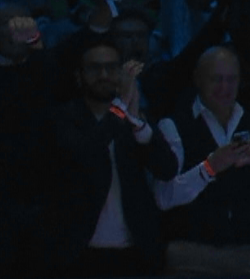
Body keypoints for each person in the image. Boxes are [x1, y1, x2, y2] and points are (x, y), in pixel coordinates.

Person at [153, 46, 250, 275]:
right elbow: (163, 197)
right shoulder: (174, 125)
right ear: (198, 79)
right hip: (191, 256)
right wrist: (209, 167)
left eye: (231, 79)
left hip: (248, 256)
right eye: (216, 79)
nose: (224, 88)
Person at [46, 38, 178, 278]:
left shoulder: (135, 118)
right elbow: (87, 154)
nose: (104, 74)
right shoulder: (63, 119)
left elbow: (167, 169)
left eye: (111, 67)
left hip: (135, 251)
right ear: (79, 76)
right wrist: (121, 108)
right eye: (95, 68)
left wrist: (138, 123)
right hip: (78, 253)